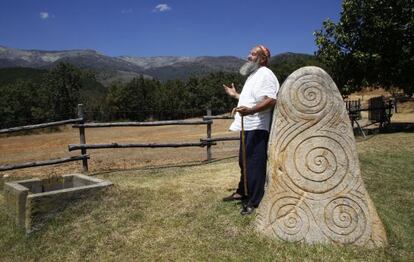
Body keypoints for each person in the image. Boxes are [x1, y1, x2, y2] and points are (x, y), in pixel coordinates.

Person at [222, 45, 280, 215]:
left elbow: (271, 100)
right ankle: (243, 191)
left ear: (262, 59)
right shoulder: (254, 76)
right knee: (244, 161)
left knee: (254, 165)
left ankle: (254, 201)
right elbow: (252, 99)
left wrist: (251, 111)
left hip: (257, 127)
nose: (248, 56)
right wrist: (236, 96)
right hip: (248, 125)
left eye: (253, 54)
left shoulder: (266, 75)